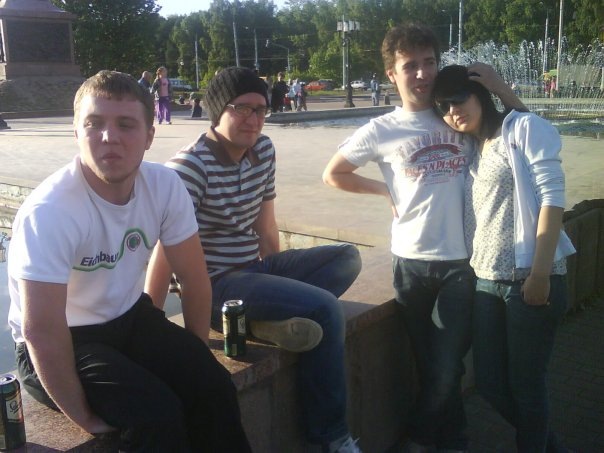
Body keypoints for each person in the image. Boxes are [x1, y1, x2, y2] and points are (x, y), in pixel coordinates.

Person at [7, 70, 252, 452]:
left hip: (129, 316)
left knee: (213, 386)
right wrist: (84, 417)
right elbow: (41, 330)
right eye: (94, 124)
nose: (110, 137)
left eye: (125, 124)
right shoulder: (51, 211)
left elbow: (193, 278)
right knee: (154, 416)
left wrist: (193, 358)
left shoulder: (164, 185)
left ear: (149, 136)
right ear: (76, 132)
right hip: (66, 338)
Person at [322, 23, 526, 453]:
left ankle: (416, 439)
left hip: (461, 264)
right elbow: (333, 173)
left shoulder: (457, 112)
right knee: (429, 363)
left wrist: (498, 87)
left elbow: (523, 130)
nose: (422, 73)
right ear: (391, 74)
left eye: (429, 62)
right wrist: (384, 190)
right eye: (410, 65)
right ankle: (455, 440)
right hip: (409, 263)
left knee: (447, 366)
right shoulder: (382, 129)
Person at [145, 66, 363, 453]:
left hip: (256, 271)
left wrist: (280, 287)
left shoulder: (263, 150)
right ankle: (332, 437)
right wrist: (150, 324)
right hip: (216, 287)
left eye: (260, 109)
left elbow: (266, 226)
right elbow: (163, 255)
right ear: (218, 110)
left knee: (346, 258)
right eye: (242, 108)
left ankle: (263, 322)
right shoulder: (189, 167)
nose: (253, 119)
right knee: (326, 310)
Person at [433, 64, 576, 453]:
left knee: (527, 388)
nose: (453, 111)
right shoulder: (472, 148)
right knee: (491, 383)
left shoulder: (522, 128)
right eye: (443, 107)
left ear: (479, 94)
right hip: (486, 281)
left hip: (529, 279)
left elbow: (552, 199)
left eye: (458, 99)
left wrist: (540, 275)